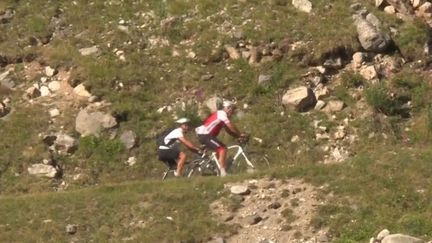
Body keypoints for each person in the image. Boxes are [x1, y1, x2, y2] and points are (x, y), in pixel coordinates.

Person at [195, 100, 246, 177]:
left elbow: (229, 130)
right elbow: (230, 126)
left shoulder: (221, 116)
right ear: (228, 108)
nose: (232, 112)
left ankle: (218, 169)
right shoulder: (221, 113)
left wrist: (237, 136)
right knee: (222, 149)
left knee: (221, 149)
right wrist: (240, 134)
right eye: (232, 109)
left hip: (206, 135)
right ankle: (223, 172)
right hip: (205, 134)